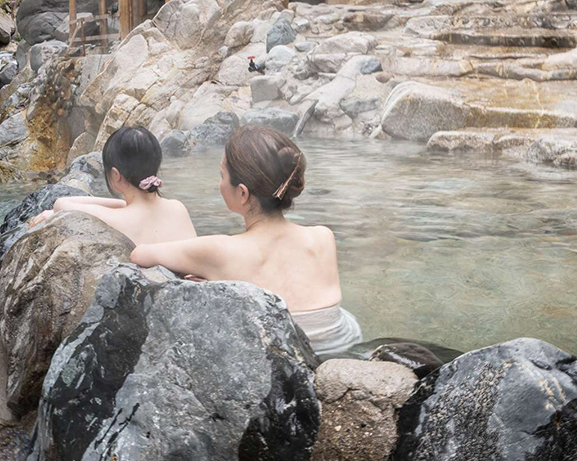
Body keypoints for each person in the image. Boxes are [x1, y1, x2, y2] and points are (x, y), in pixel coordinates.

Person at [129, 125, 361, 356]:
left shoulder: (220, 250)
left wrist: (213, 287)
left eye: (222, 176)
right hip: (340, 344)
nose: (219, 184)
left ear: (242, 193)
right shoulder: (323, 236)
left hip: (280, 353)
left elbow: (139, 254)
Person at [29, 126, 196, 246]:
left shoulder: (119, 219)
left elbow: (61, 204)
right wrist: (124, 204)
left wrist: (51, 213)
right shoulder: (178, 208)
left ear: (116, 175)